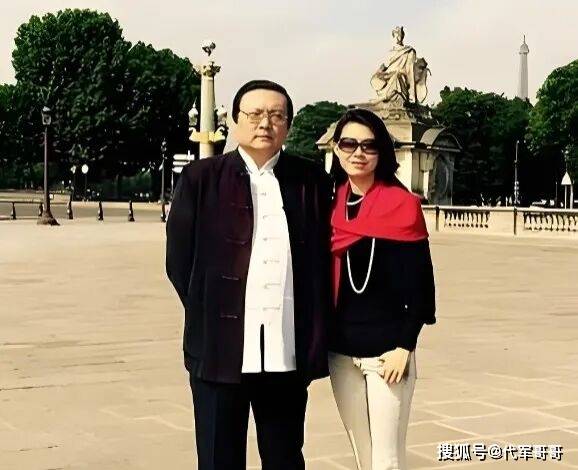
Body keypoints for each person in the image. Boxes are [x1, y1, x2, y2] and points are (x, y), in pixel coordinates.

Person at [165, 79, 333, 470]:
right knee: (218, 458)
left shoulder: (310, 182)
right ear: (234, 121)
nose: (265, 123)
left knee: (285, 457)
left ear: (288, 125)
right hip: (218, 351)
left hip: (285, 351)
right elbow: (179, 262)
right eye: (255, 113)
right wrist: (212, 308)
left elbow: (322, 261)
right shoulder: (201, 178)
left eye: (276, 115)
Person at [328, 108, 436, 470]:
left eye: (369, 146)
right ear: (336, 148)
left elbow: (421, 283)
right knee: (363, 454)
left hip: (388, 350)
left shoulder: (402, 205)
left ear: (382, 153)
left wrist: (406, 345)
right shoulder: (328, 204)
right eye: (349, 143)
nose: (358, 152)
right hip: (340, 351)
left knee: (386, 459)